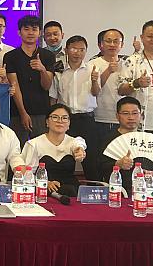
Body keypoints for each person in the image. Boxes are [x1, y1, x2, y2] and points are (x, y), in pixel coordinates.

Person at [50, 35, 100, 181]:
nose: (78, 53)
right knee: (65, 157)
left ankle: (94, 188)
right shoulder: (59, 71)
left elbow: (96, 93)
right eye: (74, 49)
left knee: (91, 159)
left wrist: (95, 81)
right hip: (66, 120)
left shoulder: (92, 69)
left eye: (82, 49)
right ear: (66, 50)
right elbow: (53, 97)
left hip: (87, 119)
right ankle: (65, 186)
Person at [5, 15, 56, 144]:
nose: (30, 33)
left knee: (41, 150)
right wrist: (23, 113)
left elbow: (46, 86)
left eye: (34, 29)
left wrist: (42, 70)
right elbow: (14, 86)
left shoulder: (48, 56)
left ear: (40, 33)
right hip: (17, 112)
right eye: (26, 29)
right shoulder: (11, 56)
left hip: (41, 112)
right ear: (19, 32)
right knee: (18, 149)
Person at [99, 96, 153, 194]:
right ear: (117, 116)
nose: (131, 117)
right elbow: (99, 168)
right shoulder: (108, 140)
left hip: (151, 191)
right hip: (121, 191)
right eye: (125, 113)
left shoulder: (149, 139)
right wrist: (118, 164)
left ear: (141, 115)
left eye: (135, 113)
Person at [21, 104, 86, 197]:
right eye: (55, 117)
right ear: (47, 121)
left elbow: (79, 144)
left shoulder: (74, 142)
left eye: (64, 118)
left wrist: (80, 151)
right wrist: (45, 182)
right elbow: (27, 174)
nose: (60, 121)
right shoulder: (34, 144)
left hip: (71, 192)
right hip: (43, 192)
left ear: (69, 123)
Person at [91, 29, 127, 140]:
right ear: (101, 44)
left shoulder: (128, 64)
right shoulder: (92, 64)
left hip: (123, 118)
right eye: (108, 41)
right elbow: (93, 91)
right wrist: (108, 71)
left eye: (116, 41)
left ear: (122, 45)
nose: (112, 44)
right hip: (99, 117)